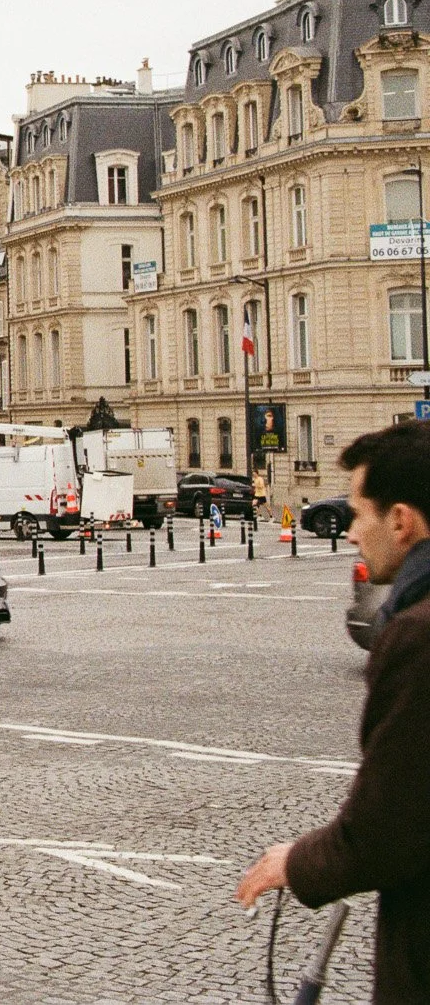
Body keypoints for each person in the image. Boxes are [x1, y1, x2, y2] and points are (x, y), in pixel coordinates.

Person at [237, 421, 430, 999]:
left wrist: (293, 862)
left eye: (358, 514)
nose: (350, 534)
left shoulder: (417, 635)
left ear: (401, 521)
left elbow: (389, 826)